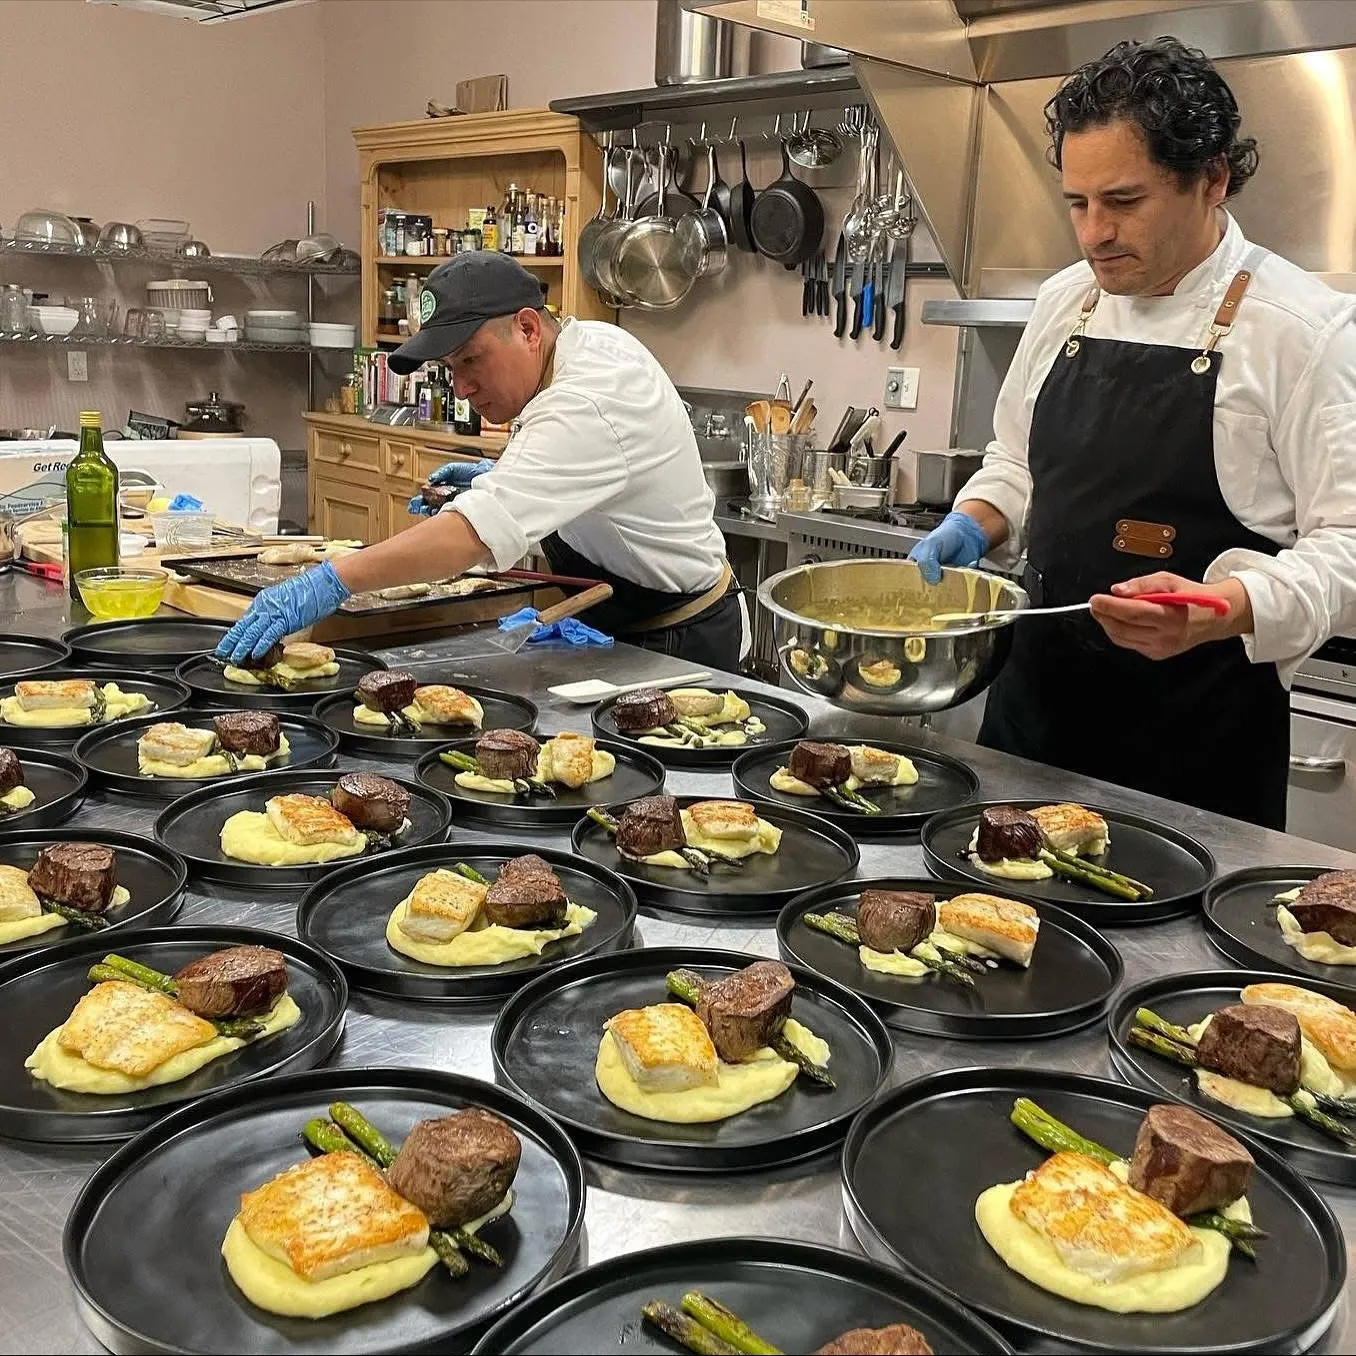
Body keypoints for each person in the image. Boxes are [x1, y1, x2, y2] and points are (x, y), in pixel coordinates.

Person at [907, 36, 1356, 829]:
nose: (1093, 234)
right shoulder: (1063, 302)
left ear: (1211, 179)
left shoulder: (1305, 332)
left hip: (1193, 749)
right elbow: (1016, 459)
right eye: (1076, 203)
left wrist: (1224, 606)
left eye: (1124, 201)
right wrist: (972, 523)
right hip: (1034, 722)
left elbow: (1346, 542)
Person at [217, 252, 738, 668]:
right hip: (623, 618)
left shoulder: (586, 401)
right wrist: (504, 481)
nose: (463, 388)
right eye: (450, 368)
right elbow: (598, 485)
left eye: (471, 359)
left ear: (529, 328)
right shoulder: (583, 343)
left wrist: (329, 581)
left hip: (679, 639)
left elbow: (466, 538)